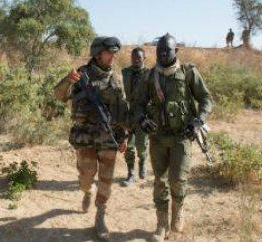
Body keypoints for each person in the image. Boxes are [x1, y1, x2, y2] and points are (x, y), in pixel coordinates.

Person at [133, 33, 212, 242]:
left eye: (167, 50)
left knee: (177, 179)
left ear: (176, 51)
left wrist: (197, 122)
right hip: (158, 138)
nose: (163, 54)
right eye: (159, 51)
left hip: (181, 138)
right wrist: (141, 119)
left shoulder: (188, 73)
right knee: (160, 181)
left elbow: (205, 99)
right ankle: (161, 225)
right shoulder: (149, 76)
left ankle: (178, 212)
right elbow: (138, 104)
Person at [54, 36, 129, 240]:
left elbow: (123, 112)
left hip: (108, 139)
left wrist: (125, 137)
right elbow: (59, 96)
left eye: (115, 52)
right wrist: (67, 80)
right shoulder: (81, 75)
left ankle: (100, 214)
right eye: (109, 52)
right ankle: (86, 191)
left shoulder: (117, 79)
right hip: (85, 138)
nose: (113, 56)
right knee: (86, 178)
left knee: (106, 180)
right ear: (98, 54)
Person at [120, 47, 149, 187]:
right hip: (128, 114)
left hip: (143, 115)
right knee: (128, 146)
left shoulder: (149, 74)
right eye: (133, 57)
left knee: (141, 145)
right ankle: (130, 173)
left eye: (139, 57)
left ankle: (143, 162)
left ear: (144, 58)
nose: (136, 60)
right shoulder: (125, 72)